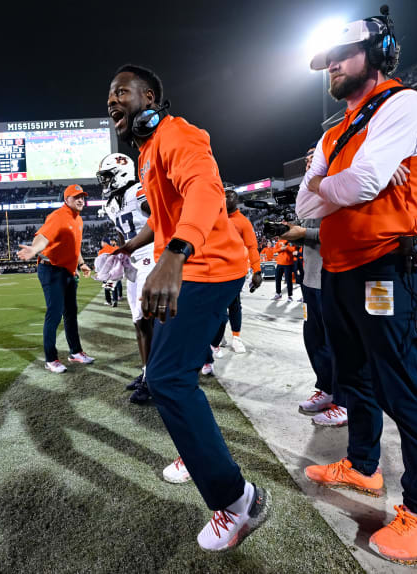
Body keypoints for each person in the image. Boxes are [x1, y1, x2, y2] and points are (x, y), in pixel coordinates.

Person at [296, 12, 417, 564]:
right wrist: (329, 185)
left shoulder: (402, 102)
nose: (331, 64)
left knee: (399, 389)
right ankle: (363, 468)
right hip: (340, 268)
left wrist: (326, 183)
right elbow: (305, 204)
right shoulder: (336, 127)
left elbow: (363, 181)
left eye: (343, 52)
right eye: (326, 59)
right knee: (353, 379)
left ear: (378, 50)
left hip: (386, 265)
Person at [107, 63, 270, 551]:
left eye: (121, 92)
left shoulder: (179, 136)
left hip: (208, 267)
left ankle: (238, 501)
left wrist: (176, 254)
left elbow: (205, 191)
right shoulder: (150, 152)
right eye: (109, 96)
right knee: (168, 376)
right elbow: (162, 218)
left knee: (168, 379)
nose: (112, 101)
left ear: (150, 97)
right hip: (195, 265)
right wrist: (130, 246)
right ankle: (202, 456)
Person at [287, 146, 349, 427]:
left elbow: (345, 232)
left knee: (340, 344)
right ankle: (327, 389)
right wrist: (294, 233)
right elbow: (313, 235)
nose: (309, 160)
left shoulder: (340, 188)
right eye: (308, 157)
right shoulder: (312, 193)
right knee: (314, 338)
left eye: (315, 156)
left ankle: (345, 403)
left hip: (334, 278)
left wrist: (305, 233)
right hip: (311, 279)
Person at [97, 152, 156, 403]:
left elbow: (162, 219)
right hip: (134, 262)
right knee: (138, 321)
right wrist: (120, 253)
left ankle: (155, 380)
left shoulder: (138, 191)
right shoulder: (113, 202)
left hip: (151, 257)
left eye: (107, 177)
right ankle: (147, 373)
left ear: (121, 173)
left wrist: (131, 246)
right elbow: (124, 231)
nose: (105, 183)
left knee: (148, 321)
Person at [17, 184, 94, 374]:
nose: (80, 200)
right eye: (76, 197)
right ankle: (50, 359)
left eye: (82, 197)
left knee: (70, 313)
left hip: (66, 272)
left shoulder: (78, 219)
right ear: (66, 200)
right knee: (54, 314)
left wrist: (81, 264)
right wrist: (34, 249)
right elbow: (42, 236)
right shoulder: (58, 216)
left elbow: (74, 247)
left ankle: (75, 352)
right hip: (51, 270)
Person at [206, 188, 262, 360]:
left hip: (234, 272)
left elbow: (252, 246)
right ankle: (216, 337)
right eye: (223, 195)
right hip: (213, 271)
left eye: (230, 196)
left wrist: (257, 270)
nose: (226, 198)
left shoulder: (243, 222)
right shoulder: (212, 217)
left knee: (234, 306)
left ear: (237, 201)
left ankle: (236, 337)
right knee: (216, 309)